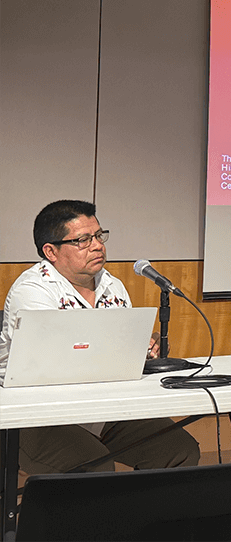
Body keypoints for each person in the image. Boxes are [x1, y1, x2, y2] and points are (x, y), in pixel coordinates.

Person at [0, 200, 201, 474]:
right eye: (82, 240)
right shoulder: (33, 291)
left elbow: (108, 354)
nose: (97, 246)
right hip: (36, 416)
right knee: (94, 464)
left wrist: (139, 349)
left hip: (103, 409)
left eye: (98, 236)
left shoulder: (112, 286)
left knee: (178, 450)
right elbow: (52, 365)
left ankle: (148, 517)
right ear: (51, 251)